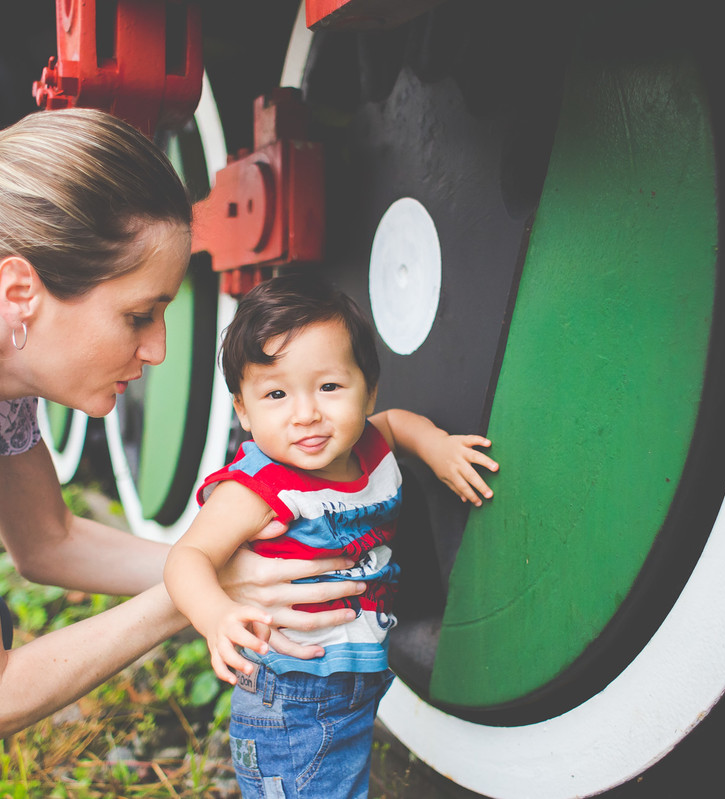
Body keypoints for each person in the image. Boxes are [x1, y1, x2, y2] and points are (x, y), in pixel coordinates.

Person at [0, 108, 367, 798]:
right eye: (137, 315)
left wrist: (228, 566)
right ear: (20, 291)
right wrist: (197, 596)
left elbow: (47, 541)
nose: (155, 350)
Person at [164, 275, 500, 799]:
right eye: (276, 393)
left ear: (368, 387)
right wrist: (215, 616)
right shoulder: (258, 489)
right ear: (243, 412)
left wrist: (435, 446)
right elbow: (187, 557)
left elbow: (395, 424)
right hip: (291, 692)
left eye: (329, 386)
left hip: (353, 681)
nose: (306, 414)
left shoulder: (368, 444)